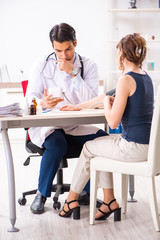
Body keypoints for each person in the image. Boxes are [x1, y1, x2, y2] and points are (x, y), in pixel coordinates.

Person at [59, 33, 154, 221]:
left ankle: (71, 200)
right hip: (149, 148)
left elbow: (112, 122)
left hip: (132, 148)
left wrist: (108, 105)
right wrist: (79, 106)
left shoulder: (125, 80)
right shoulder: (145, 77)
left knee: (88, 147)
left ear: (122, 54)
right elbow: (103, 98)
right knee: (98, 144)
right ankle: (109, 202)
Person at [26, 23, 108, 214]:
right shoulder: (42, 64)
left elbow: (92, 101)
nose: (63, 56)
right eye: (58, 50)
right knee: (57, 144)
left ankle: (85, 192)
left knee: (102, 141)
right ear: (52, 47)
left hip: (75, 125)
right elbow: (29, 98)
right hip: (48, 126)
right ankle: (41, 193)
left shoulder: (88, 65)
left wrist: (73, 73)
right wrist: (42, 103)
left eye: (68, 49)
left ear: (75, 43)